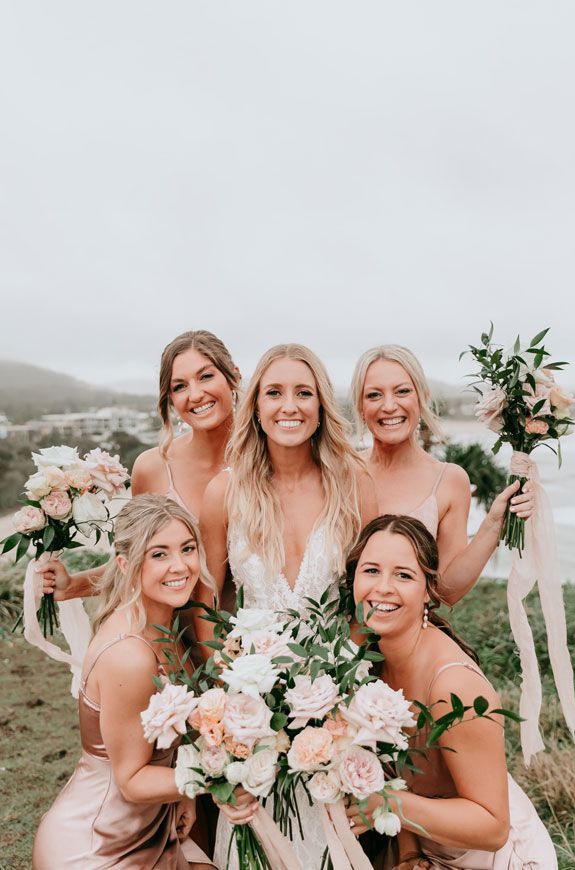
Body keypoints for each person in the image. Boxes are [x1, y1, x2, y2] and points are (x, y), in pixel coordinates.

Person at [195, 343, 378, 869]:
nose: (289, 406)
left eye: (304, 392)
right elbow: (207, 607)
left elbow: (367, 603)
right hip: (252, 720)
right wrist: (230, 715)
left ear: (322, 405)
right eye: (274, 392)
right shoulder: (224, 492)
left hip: (336, 712)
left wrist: (339, 692)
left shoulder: (354, 483)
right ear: (254, 405)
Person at [346, 514, 556, 869]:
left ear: (429, 589)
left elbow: (492, 827)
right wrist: (410, 853)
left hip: (491, 857)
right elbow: (398, 776)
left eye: (403, 575)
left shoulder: (453, 685)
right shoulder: (366, 661)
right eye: (371, 571)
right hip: (424, 847)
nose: (382, 587)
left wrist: (391, 806)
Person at [32, 494, 219, 869]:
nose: (180, 566)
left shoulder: (166, 626)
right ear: (126, 564)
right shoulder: (130, 656)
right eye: (159, 554)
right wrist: (225, 772)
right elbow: (131, 780)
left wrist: (183, 796)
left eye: (187, 548)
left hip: (152, 826)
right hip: (98, 845)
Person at [39, 329, 240, 600]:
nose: (195, 394)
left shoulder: (270, 460)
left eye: (206, 376)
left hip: (262, 637)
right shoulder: (152, 468)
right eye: (179, 386)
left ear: (234, 376)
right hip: (172, 634)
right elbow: (137, 562)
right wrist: (75, 585)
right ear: (170, 399)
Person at [350, 346, 534, 605]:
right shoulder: (339, 470)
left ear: (421, 397)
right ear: (360, 405)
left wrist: (494, 525)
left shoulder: (449, 480)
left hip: (410, 638)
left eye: (402, 391)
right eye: (374, 395)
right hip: (334, 637)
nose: (389, 406)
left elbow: (447, 592)